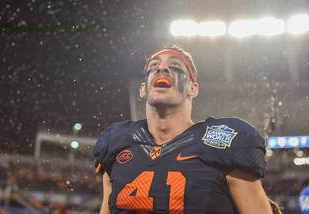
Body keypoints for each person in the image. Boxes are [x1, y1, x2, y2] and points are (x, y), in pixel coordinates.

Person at [93, 44, 281, 213]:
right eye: (153, 66)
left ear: (193, 88)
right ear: (143, 89)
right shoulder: (116, 142)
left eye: (175, 65)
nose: (162, 67)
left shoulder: (227, 141)